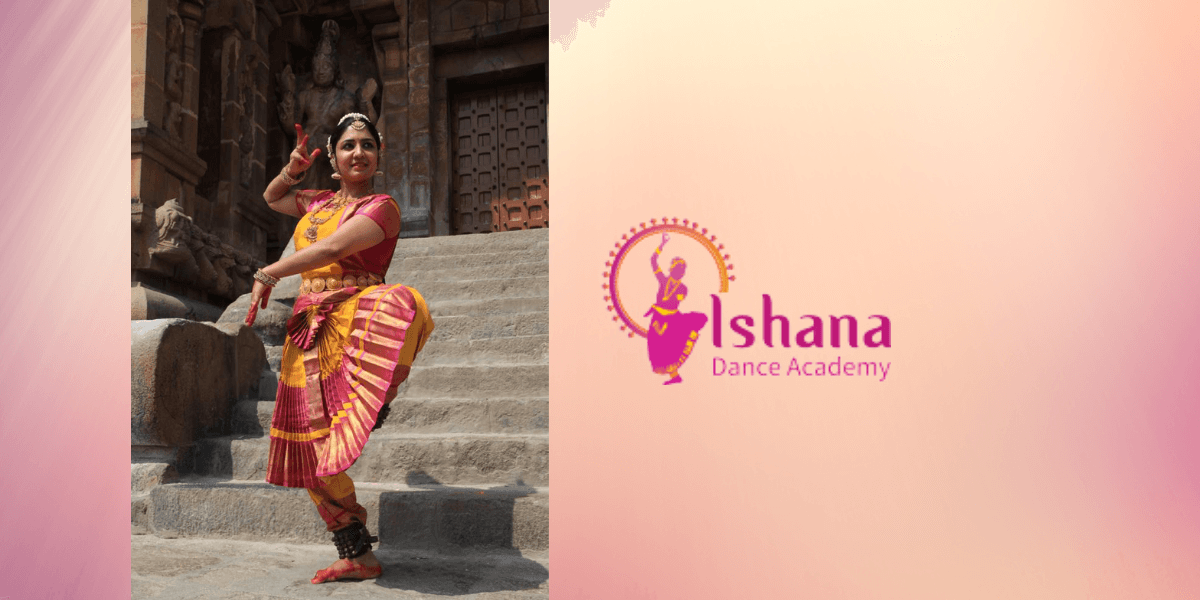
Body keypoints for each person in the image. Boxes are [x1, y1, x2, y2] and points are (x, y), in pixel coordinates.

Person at [246, 112, 434, 584]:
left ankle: (372, 401)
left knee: (403, 302)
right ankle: (355, 551)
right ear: (333, 158)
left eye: (367, 144)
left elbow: (331, 252)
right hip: (308, 329)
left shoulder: (381, 207)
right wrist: (292, 169)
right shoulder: (319, 202)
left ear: (377, 154)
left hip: (352, 313)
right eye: (348, 145)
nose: (358, 152)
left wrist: (273, 269)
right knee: (310, 452)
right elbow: (272, 199)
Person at [644, 233, 707, 384]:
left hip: (671, 318)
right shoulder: (663, 280)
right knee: (655, 344)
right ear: (672, 269)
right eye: (678, 268)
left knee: (672, 344)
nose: (680, 271)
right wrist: (661, 246)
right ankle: (675, 376)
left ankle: (675, 376)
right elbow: (653, 261)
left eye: (682, 269)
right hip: (658, 317)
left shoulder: (683, 288)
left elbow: (672, 304)